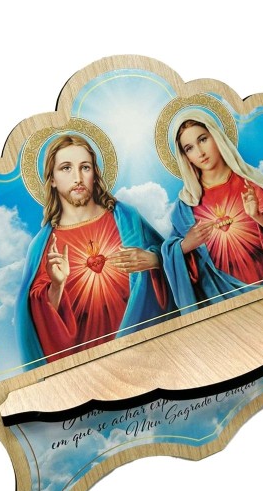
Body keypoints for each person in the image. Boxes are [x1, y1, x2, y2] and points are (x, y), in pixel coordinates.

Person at [15, 134, 173, 370]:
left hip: (146, 352)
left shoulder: (126, 218)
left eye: (85, 167)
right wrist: (56, 285)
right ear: (53, 179)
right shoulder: (44, 245)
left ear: (95, 173)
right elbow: (34, 315)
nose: (78, 178)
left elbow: (174, 259)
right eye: (66, 168)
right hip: (88, 368)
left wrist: (154, 259)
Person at [161, 108, 263, 312]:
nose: (200, 152)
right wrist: (184, 246)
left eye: (203, 139)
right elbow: (173, 258)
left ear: (216, 136)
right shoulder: (187, 205)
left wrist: (259, 217)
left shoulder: (251, 182)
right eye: (189, 148)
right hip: (222, 303)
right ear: (185, 156)